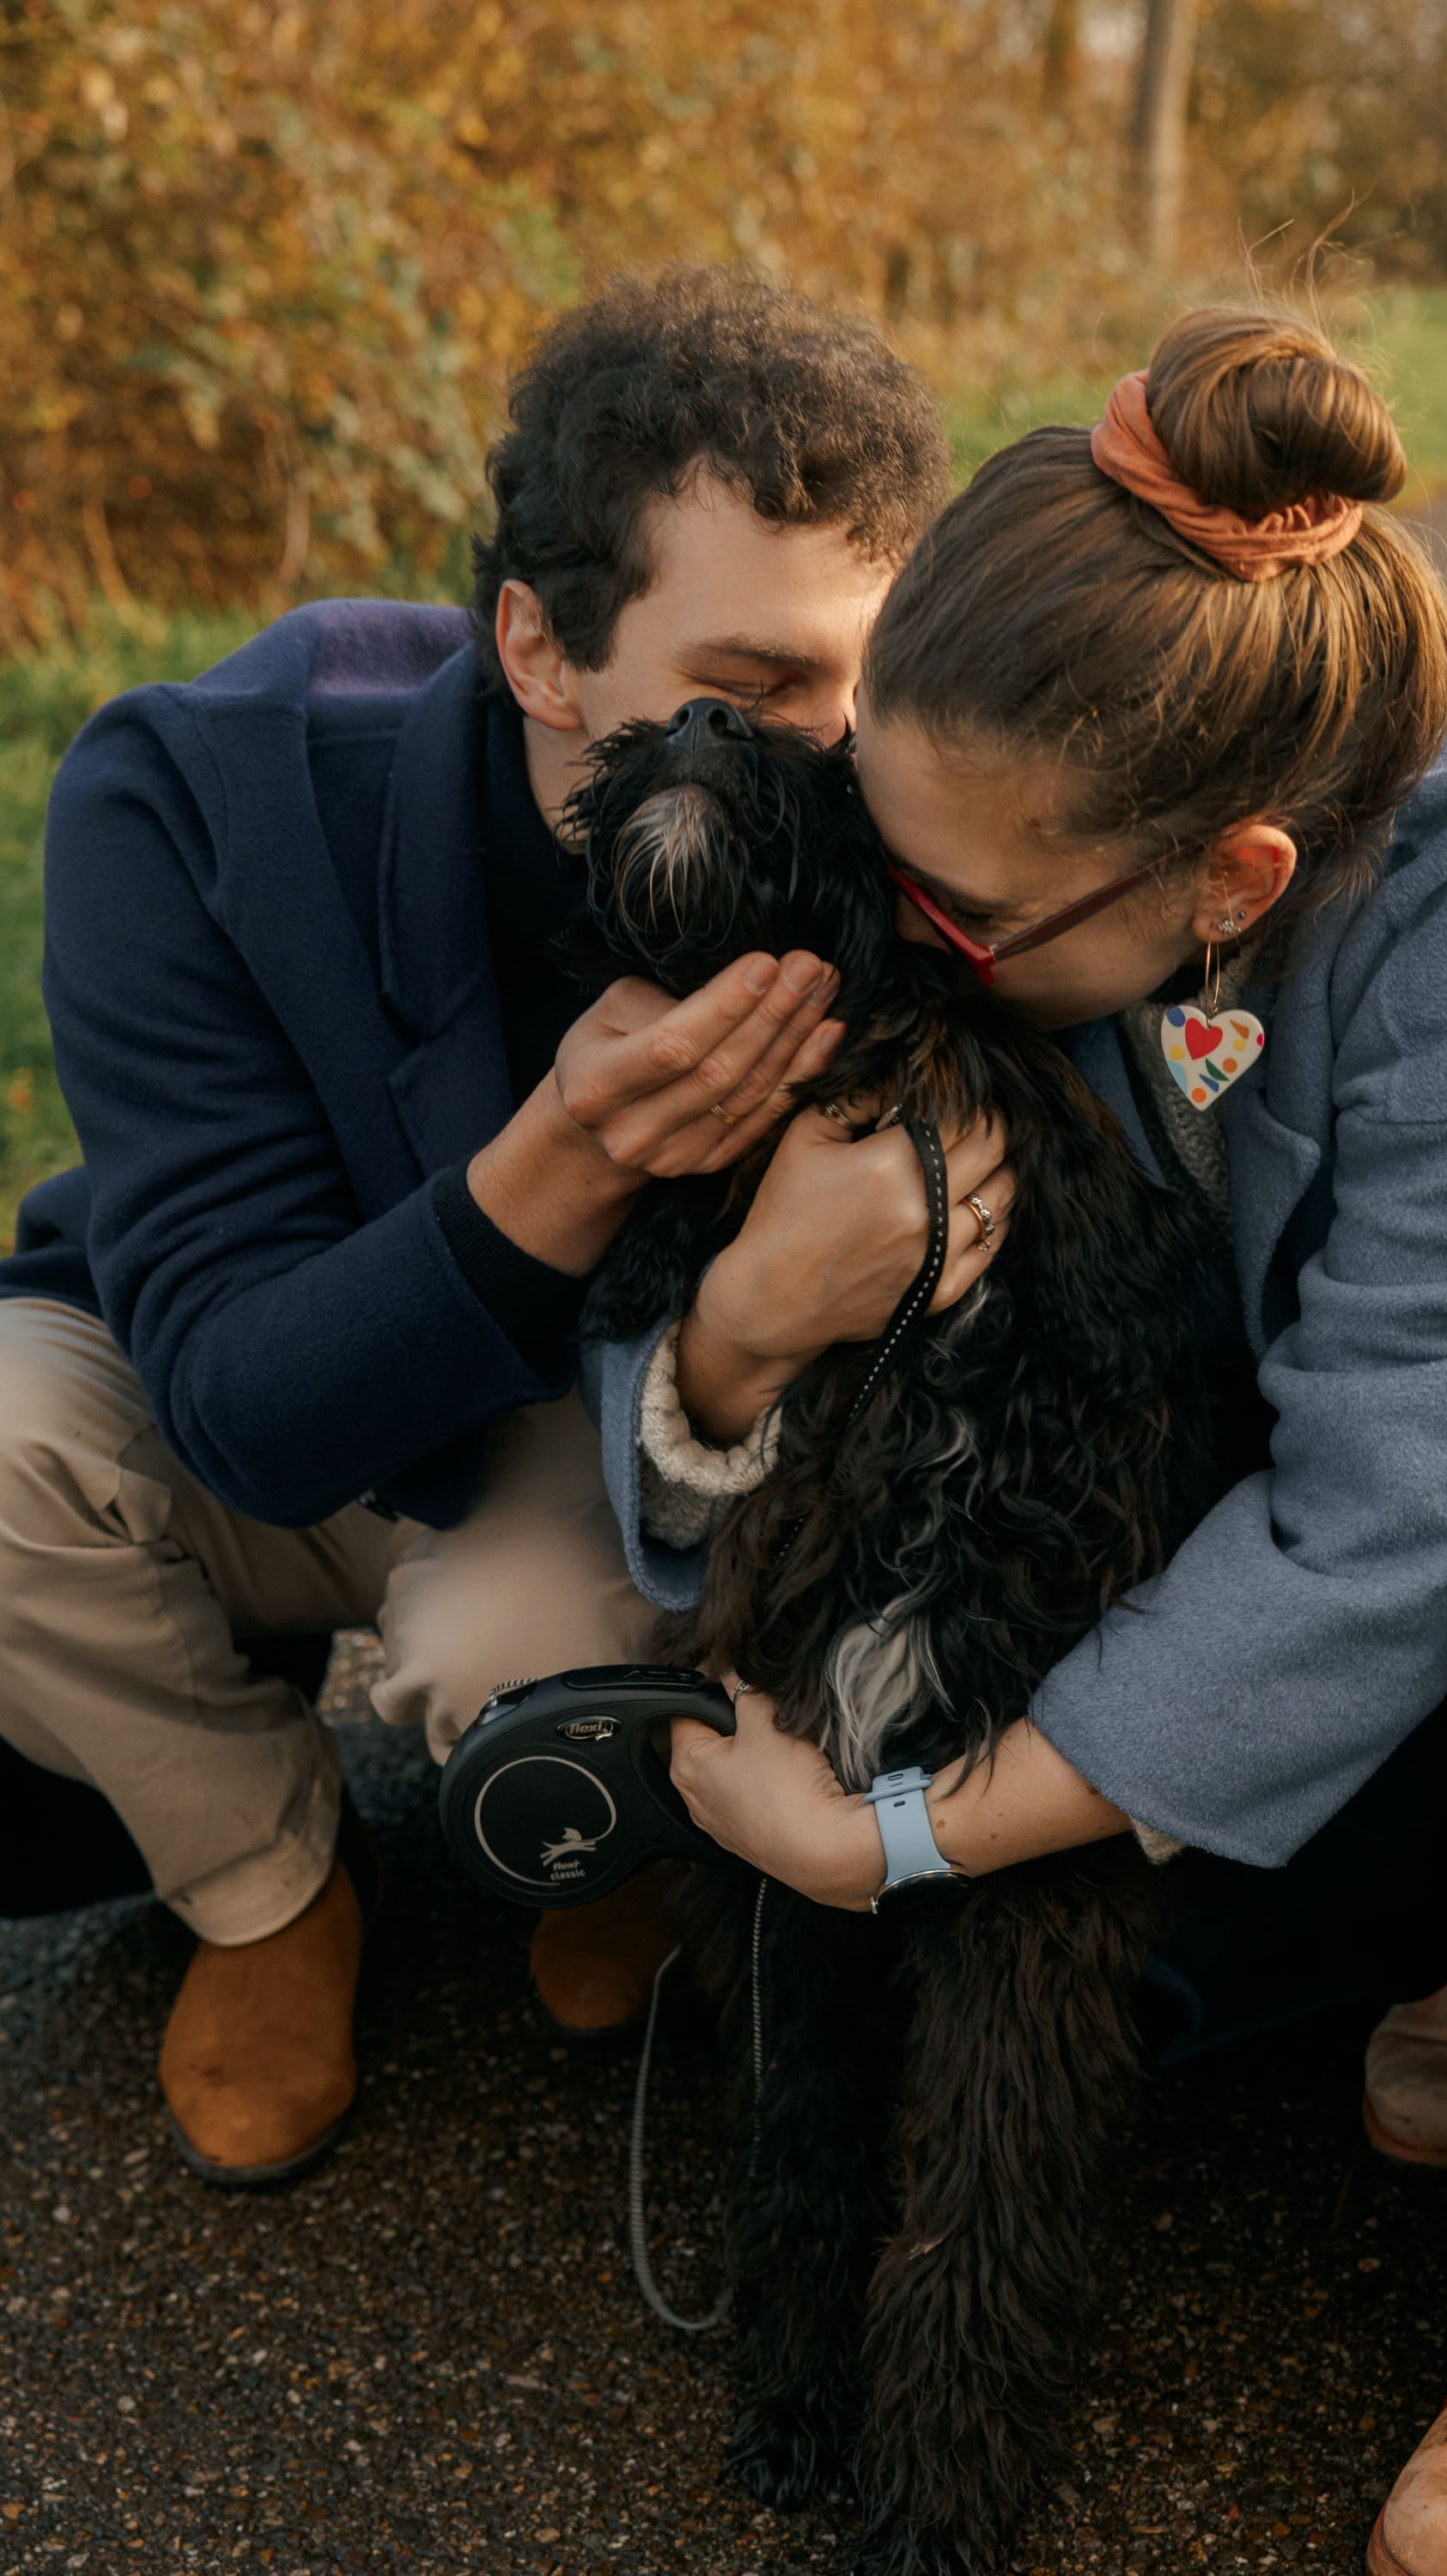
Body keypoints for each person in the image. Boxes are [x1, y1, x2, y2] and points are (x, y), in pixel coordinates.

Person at [585, 306, 1447, 2576]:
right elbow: (742, 1340)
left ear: (1233, 885)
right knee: (1167, 1994)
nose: (912, 950)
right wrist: (732, 1333)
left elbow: (1378, 1527)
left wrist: (889, 1839)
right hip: (1331, 1458)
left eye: (962, 921)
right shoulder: (1047, 778)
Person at [0, 266, 970, 2187]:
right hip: (257, 1365)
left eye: (867, 680)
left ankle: (589, 1824)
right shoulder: (195, 796)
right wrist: (565, 1156)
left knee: (512, 1650)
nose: (837, 756)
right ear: (538, 646)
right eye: (754, 688)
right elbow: (242, 1409)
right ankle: (267, 1890)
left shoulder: (885, 811)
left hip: (627, 1409)